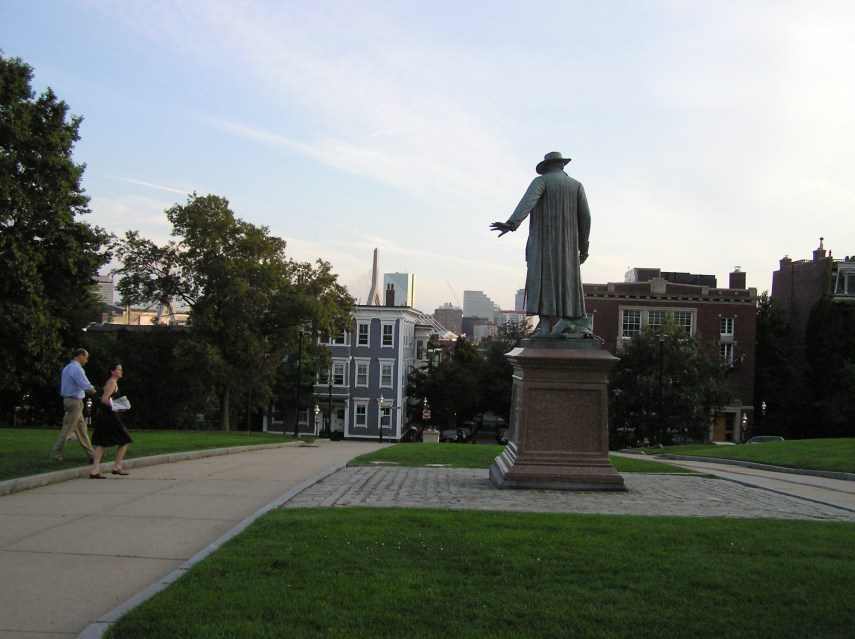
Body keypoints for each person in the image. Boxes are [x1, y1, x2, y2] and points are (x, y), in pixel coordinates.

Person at [491, 151, 592, 337]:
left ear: (547, 167)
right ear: (561, 165)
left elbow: (527, 203)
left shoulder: (541, 181)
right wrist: (583, 248)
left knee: (542, 281)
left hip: (543, 243)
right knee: (568, 281)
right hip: (568, 247)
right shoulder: (577, 186)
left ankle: (544, 327)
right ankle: (567, 319)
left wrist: (511, 224)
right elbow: (586, 218)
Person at [89, 362, 133, 479]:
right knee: (124, 439)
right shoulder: (112, 382)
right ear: (112, 371)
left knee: (102, 443)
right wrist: (117, 406)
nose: (121, 371)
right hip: (109, 416)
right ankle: (117, 466)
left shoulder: (112, 382)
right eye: (118, 369)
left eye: (121, 369)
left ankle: (95, 470)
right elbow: (104, 399)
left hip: (105, 415)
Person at [51, 348, 97, 461]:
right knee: (68, 429)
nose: (86, 361)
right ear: (80, 356)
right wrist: (96, 392)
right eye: (86, 358)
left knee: (82, 430)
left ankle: (92, 456)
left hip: (70, 401)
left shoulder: (67, 368)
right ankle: (56, 454)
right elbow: (86, 385)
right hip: (75, 402)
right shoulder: (77, 369)